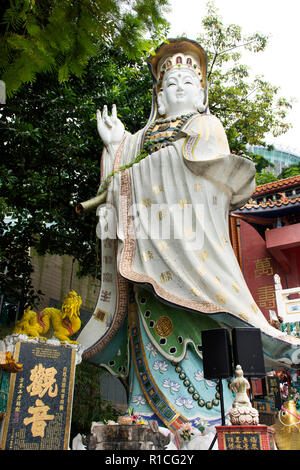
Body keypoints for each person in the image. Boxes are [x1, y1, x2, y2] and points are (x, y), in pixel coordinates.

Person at [77, 38, 300, 431]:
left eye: (186, 81)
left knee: (205, 342)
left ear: (200, 95)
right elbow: (116, 184)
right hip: (147, 269)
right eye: (170, 83)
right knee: (147, 333)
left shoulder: (206, 127)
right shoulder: (138, 141)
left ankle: (209, 418)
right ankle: (144, 413)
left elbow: (203, 180)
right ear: (159, 99)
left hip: (192, 262)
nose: (178, 87)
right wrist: (114, 148)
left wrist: (136, 176)